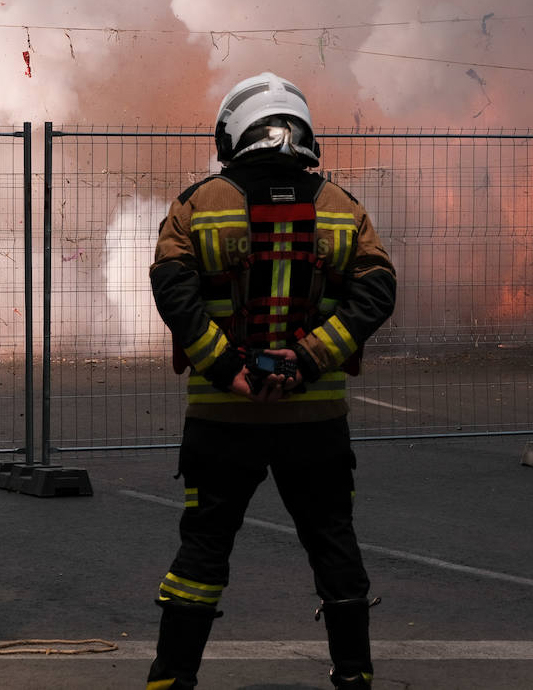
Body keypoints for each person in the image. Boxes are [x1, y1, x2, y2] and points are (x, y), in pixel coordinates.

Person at [145, 72, 397, 690]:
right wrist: (308, 360)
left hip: (221, 421)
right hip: (316, 424)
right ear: (303, 129)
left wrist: (229, 370)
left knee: (203, 549)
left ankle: (170, 681)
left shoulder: (196, 205)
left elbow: (173, 293)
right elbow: (378, 290)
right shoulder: (343, 208)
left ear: (235, 131)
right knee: (334, 543)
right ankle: (355, 676)